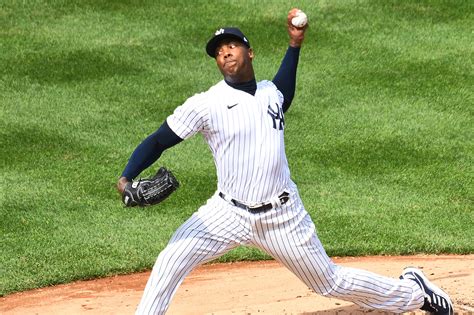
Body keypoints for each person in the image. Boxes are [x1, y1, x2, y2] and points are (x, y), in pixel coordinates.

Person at [117, 8, 454, 315]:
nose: (224, 53)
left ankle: (415, 293)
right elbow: (160, 139)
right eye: (219, 52)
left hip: (282, 216)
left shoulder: (271, 94)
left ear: (249, 52)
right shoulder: (206, 104)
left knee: (329, 282)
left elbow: (285, 91)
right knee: (171, 259)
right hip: (227, 213)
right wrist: (127, 177)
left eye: (231, 46)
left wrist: (295, 45)